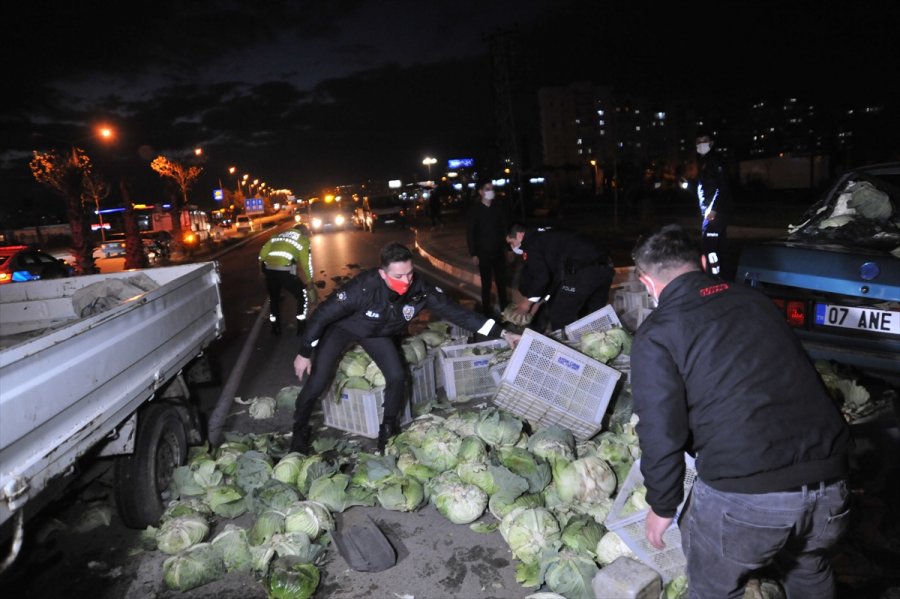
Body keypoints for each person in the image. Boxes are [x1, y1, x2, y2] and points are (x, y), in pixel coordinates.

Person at [629, 224, 851, 598]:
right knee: (809, 566)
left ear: (646, 282)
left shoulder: (658, 332)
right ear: (702, 263)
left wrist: (662, 506)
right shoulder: (755, 301)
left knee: (713, 589)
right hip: (830, 484)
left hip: (748, 497)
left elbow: (661, 430)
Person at [291, 242, 520, 454]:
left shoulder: (420, 289)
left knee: (397, 376)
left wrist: (503, 333)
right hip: (345, 328)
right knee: (318, 381)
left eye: (409, 273)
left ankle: (387, 432)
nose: (406, 280)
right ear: (383, 273)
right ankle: (299, 430)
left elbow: (459, 314)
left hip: (378, 334)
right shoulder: (362, 288)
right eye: (398, 276)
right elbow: (322, 315)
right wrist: (304, 353)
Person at [505, 224, 614, 332]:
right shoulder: (545, 235)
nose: (512, 247)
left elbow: (541, 278)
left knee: (560, 316)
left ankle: (564, 343)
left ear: (519, 235)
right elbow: (553, 275)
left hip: (582, 270)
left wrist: (525, 305)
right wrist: (537, 302)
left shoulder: (531, 242)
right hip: (605, 267)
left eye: (511, 242)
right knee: (593, 316)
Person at [258, 223, 317, 335]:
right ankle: (302, 327)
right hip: (285, 272)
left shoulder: (276, 236)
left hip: (269, 271)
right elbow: (306, 263)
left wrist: (261, 271)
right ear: (304, 232)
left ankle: (275, 328)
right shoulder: (303, 240)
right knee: (302, 295)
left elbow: (262, 255)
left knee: (273, 299)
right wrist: (310, 280)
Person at [466, 178, 509, 318]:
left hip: (498, 251)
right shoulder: (475, 210)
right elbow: (470, 233)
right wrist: (473, 253)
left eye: (492, 189)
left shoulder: (498, 207)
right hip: (483, 253)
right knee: (486, 284)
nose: (491, 191)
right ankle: (486, 311)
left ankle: (505, 310)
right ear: (481, 192)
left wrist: (508, 248)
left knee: (502, 283)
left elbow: (504, 228)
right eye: (487, 189)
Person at [694, 132, 732, 277]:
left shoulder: (714, 161)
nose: (701, 144)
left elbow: (722, 187)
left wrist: (714, 209)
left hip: (715, 212)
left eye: (704, 140)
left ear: (711, 143)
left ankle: (713, 278)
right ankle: (724, 279)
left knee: (709, 247)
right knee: (720, 247)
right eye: (698, 141)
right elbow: (705, 189)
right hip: (712, 211)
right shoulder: (704, 162)